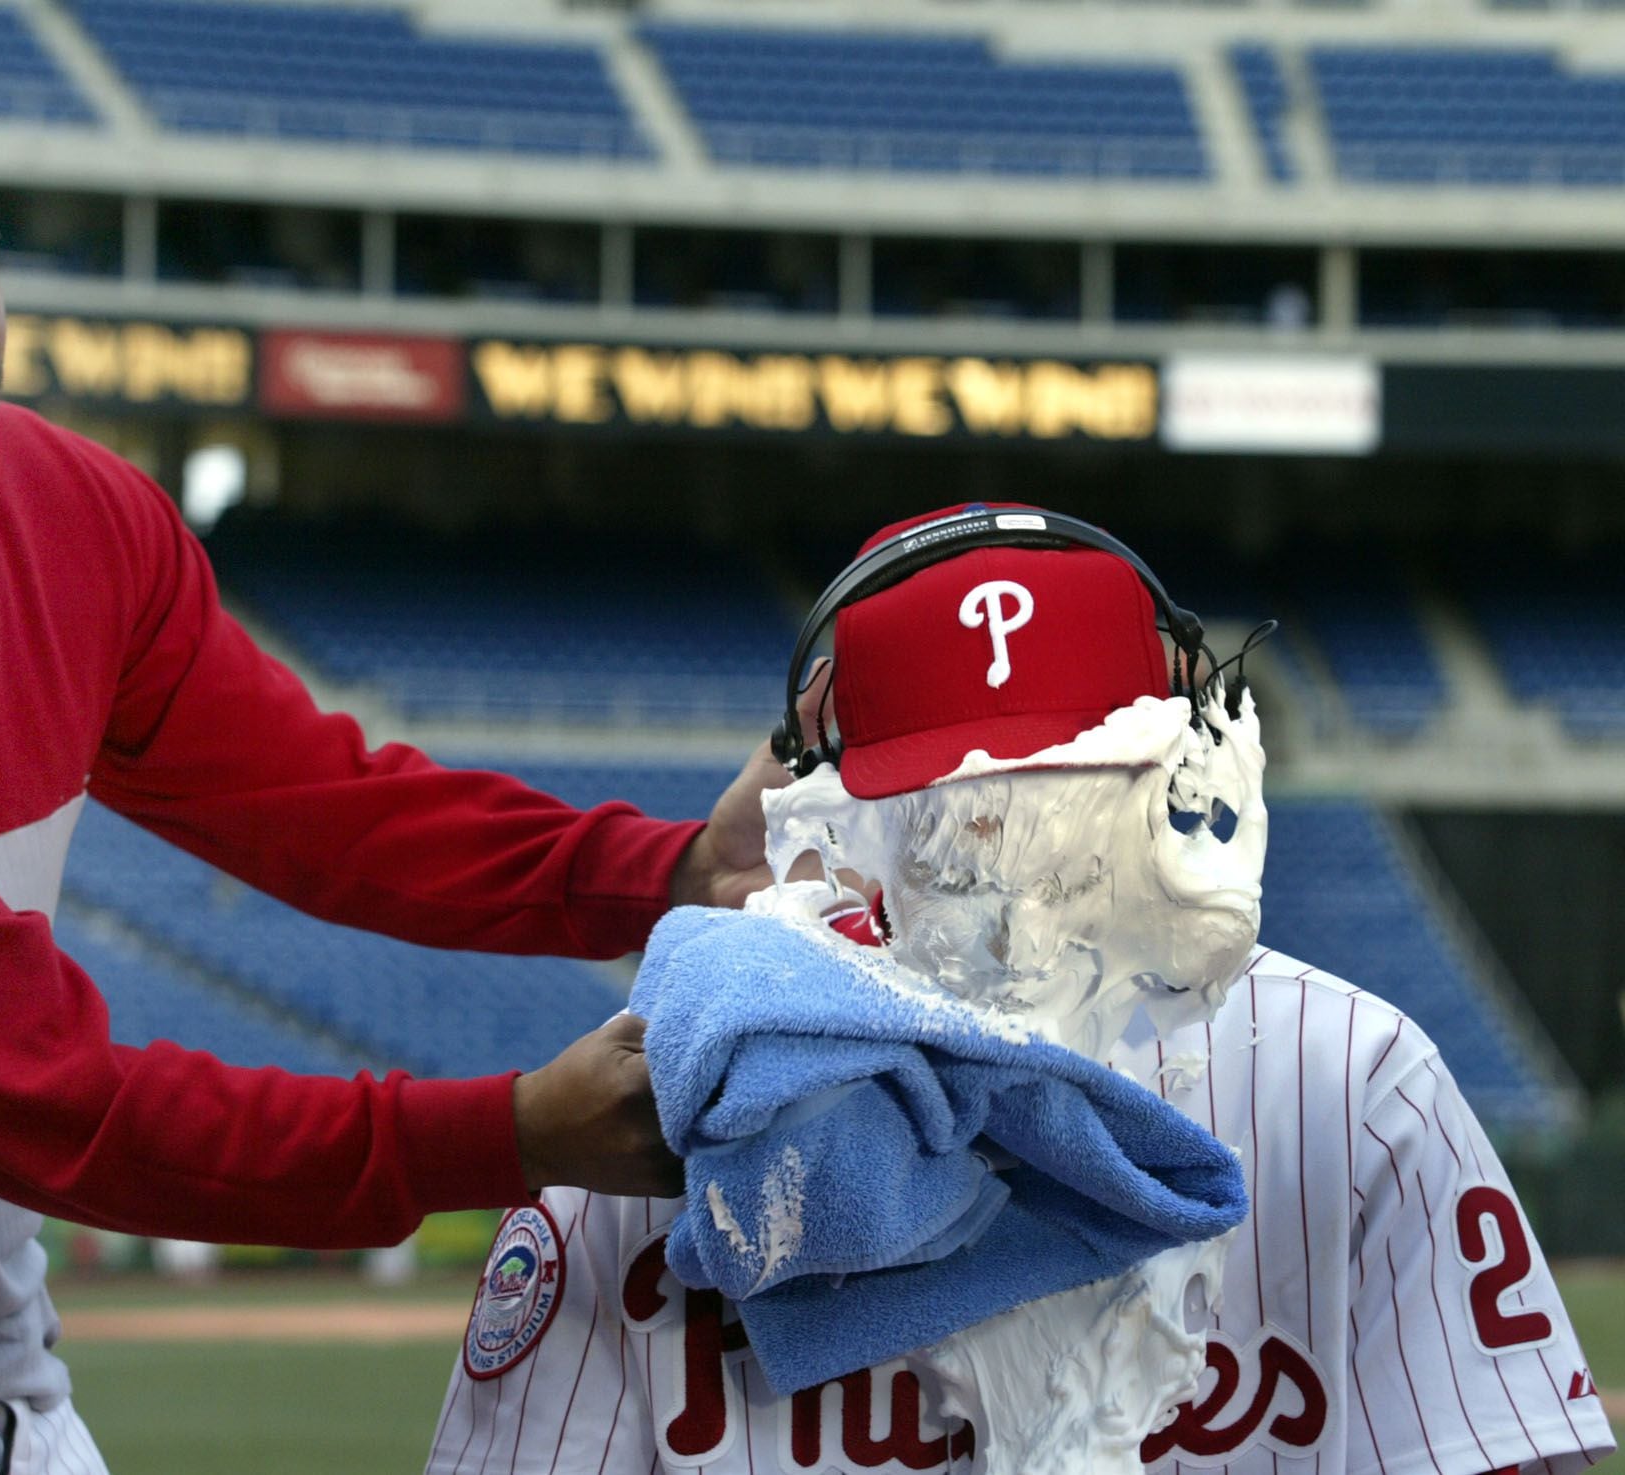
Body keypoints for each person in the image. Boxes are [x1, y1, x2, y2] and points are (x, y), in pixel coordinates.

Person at [0, 16, 811, 1474]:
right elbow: (63, 1111)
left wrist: (674, 865)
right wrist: (508, 1131)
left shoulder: (66, 508)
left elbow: (323, 808)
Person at [425, 505, 1616, 1475]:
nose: (1009, 844)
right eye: (945, 800)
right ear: (831, 809)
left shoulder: (1352, 1076)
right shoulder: (658, 1100)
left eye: (1075, 780)